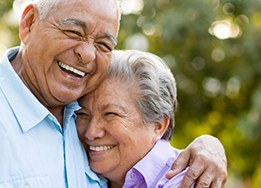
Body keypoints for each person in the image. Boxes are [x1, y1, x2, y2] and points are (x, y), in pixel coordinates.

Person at [0, 0, 227, 187]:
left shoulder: (87, 121)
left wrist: (209, 146)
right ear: (29, 23)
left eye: (103, 43)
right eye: (74, 31)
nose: (87, 54)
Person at [76, 50, 214, 187]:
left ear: (158, 125)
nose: (91, 132)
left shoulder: (185, 182)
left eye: (111, 114)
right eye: (83, 114)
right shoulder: (78, 169)